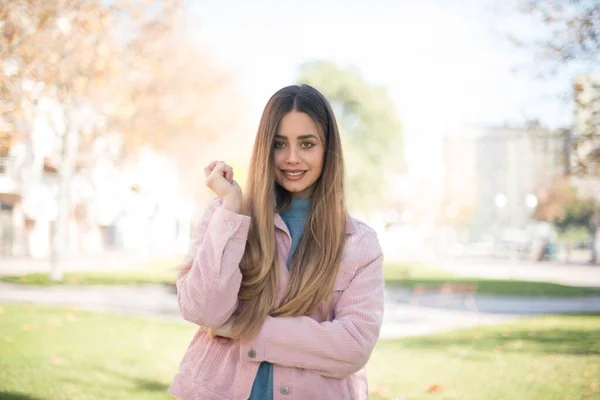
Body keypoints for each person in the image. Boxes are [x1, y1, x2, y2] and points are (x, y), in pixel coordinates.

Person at [169, 84, 384, 400]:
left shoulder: (359, 244)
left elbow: (352, 348)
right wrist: (231, 207)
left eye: (307, 144)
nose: (292, 158)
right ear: (264, 148)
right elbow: (203, 310)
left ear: (328, 150)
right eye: (279, 144)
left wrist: (245, 328)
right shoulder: (225, 216)